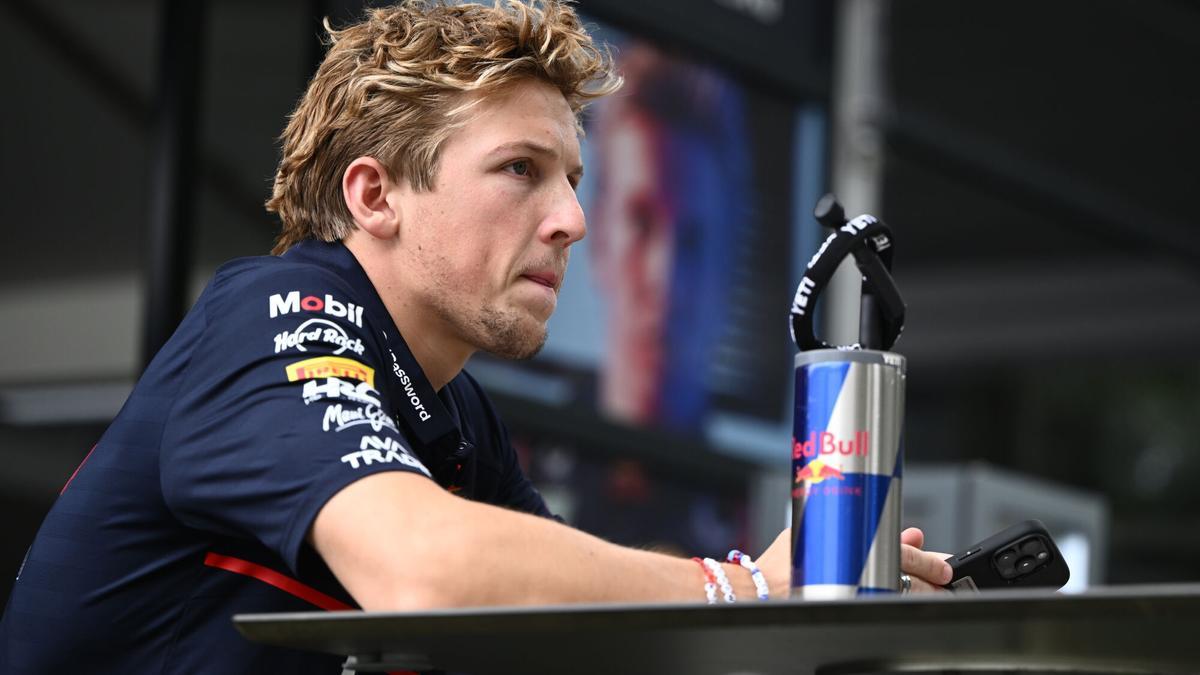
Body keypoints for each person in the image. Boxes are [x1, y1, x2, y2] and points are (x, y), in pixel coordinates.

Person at [0, 1, 952, 672]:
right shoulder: (272, 314)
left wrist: (815, 613)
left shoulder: (455, 415)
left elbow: (571, 635)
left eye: (572, 179)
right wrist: (742, 587)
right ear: (375, 195)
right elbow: (426, 570)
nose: (572, 219)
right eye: (520, 170)